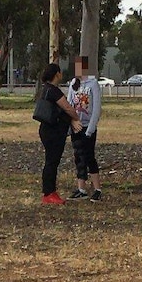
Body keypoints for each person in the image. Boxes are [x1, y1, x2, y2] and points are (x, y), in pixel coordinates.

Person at [37, 63, 83, 205]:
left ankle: (51, 191)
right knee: (51, 162)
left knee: (52, 161)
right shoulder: (53, 91)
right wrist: (76, 118)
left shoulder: (46, 89)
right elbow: (67, 107)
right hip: (53, 132)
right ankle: (48, 193)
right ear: (57, 74)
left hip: (48, 130)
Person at [66, 56, 103, 202]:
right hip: (76, 126)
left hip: (88, 126)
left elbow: (96, 108)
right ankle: (81, 188)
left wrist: (90, 129)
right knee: (78, 157)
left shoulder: (93, 84)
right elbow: (69, 105)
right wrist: (72, 123)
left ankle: (97, 188)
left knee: (89, 156)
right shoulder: (73, 84)